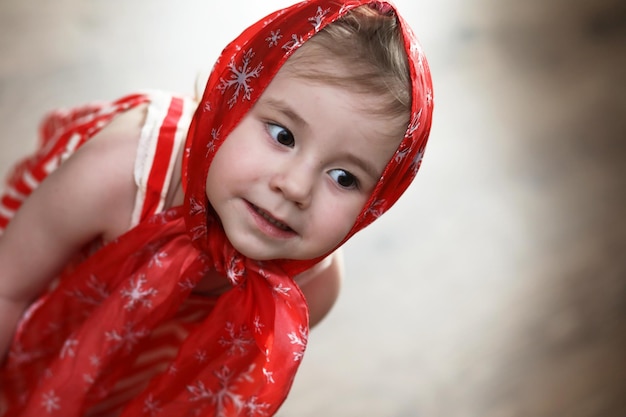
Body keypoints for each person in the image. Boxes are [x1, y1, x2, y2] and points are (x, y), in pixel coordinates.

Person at [0, 0, 433, 415]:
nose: (296, 187)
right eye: (283, 135)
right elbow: (9, 287)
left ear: (377, 203)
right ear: (228, 102)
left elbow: (202, 385)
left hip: (134, 363)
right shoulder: (121, 171)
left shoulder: (310, 292)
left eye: (344, 178)